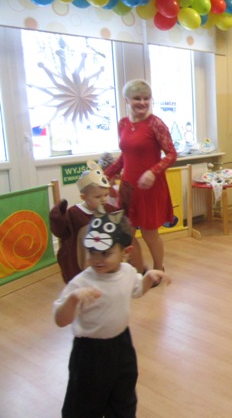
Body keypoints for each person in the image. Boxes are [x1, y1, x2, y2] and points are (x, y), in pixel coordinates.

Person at [53, 210, 169, 417]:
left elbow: (136, 291)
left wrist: (147, 279)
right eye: (92, 252)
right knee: (84, 402)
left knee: (123, 396)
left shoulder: (127, 272)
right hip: (89, 353)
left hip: (121, 345)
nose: (97, 259)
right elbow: (60, 320)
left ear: (126, 252)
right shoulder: (81, 282)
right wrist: (73, 299)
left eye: (105, 253)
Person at [105, 79, 177, 271]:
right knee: (126, 232)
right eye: (137, 98)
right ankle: (139, 269)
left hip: (149, 188)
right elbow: (125, 156)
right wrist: (107, 173)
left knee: (149, 234)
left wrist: (153, 172)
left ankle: (158, 270)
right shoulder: (123, 124)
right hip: (128, 187)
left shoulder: (156, 124)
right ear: (126, 100)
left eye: (146, 98)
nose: (143, 102)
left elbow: (172, 154)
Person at [49, 160, 144, 283]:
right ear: (84, 197)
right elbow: (60, 231)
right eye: (98, 197)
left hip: (106, 263)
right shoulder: (74, 213)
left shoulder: (109, 210)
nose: (103, 200)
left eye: (105, 195)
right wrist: (58, 215)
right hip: (83, 263)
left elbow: (122, 228)